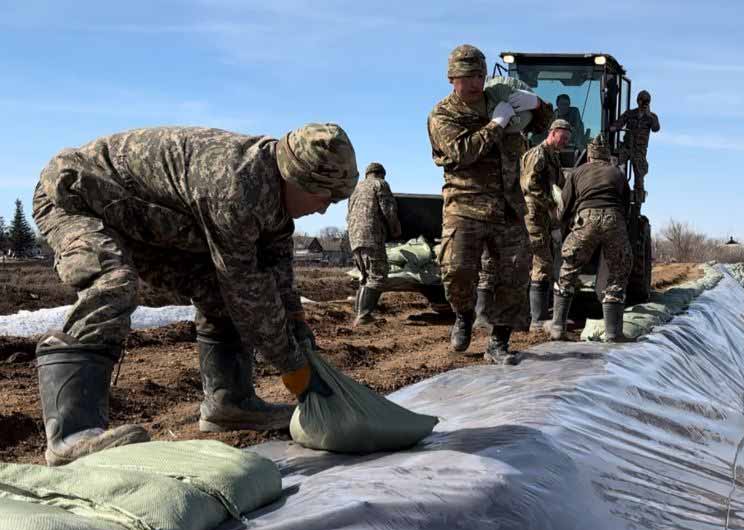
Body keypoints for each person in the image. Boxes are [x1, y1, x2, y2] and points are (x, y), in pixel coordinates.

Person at [32, 123, 358, 466]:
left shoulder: (273, 200)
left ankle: (229, 403)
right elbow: (247, 289)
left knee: (217, 289)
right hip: (75, 198)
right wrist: (293, 366)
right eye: (326, 197)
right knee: (113, 281)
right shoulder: (235, 186)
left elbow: (276, 269)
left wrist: (297, 323)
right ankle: (71, 434)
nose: (325, 209)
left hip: (145, 217)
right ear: (297, 178)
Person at [428, 44, 539, 364]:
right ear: (452, 78)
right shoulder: (443, 114)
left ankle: (499, 342)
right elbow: (462, 153)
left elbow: (539, 127)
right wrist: (496, 125)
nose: (476, 82)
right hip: (465, 203)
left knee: (515, 273)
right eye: (468, 77)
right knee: (457, 269)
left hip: (508, 204)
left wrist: (539, 105)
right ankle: (463, 315)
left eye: (480, 75)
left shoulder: (499, 100)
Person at [550, 135, 632, 342]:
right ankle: (613, 333)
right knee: (617, 273)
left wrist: (562, 227)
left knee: (568, 269)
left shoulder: (578, 172)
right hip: (614, 220)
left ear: (589, 157)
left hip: (585, 220)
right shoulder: (618, 173)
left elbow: (565, 206)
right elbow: (627, 205)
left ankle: (558, 328)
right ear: (607, 156)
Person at [519, 119, 571, 329]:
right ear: (552, 133)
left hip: (544, 214)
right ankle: (537, 320)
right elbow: (530, 184)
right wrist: (551, 205)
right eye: (563, 138)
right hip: (534, 212)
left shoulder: (553, 157)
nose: (566, 142)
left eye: (568, 139)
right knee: (542, 260)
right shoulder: (538, 154)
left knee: (544, 260)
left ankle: (536, 315)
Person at [347, 161, 402, 325]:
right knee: (378, 276)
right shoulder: (380, 184)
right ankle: (364, 316)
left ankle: (360, 313)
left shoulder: (355, 189)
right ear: (381, 174)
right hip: (372, 236)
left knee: (365, 276)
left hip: (354, 238)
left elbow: (349, 213)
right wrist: (396, 231)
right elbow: (389, 211)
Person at [610, 90, 660, 204]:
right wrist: (613, 127)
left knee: (639, 177)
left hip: (639, 151)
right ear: (638, 101)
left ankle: (637, 205)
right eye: (642, 100)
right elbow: (619, 123)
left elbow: (656, 128)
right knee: (614, 164)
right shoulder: (630, 113)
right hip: (627, 147)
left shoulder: (652, 117)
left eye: (646, 101)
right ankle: (614, 189)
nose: (644, 104)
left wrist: (649, 115)